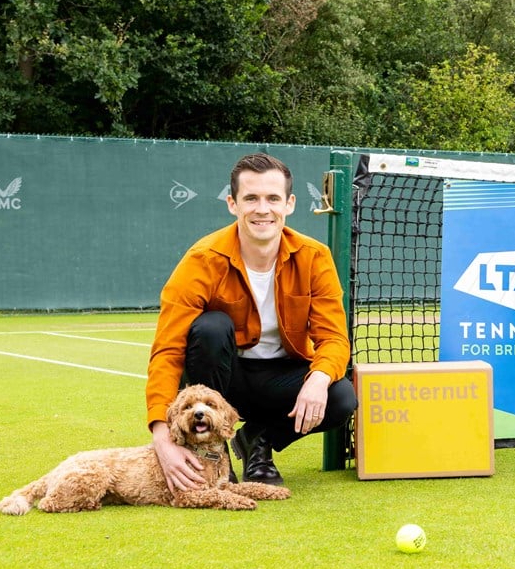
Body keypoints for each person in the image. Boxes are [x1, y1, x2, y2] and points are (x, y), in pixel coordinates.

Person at [146, 152, 357, 488]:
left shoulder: (314, 257)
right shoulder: (202, 259)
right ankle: (215, 456)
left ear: (289, 204)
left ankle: (258, 440)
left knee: (341, 396)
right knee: (211, 327)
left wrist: (317, 380)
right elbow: (168, 350)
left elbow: (333, 339)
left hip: (281, 378)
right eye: (251, 198)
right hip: (224, 380)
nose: (263, 209)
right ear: (233, 204)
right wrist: (161, 436)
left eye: (273, 198)